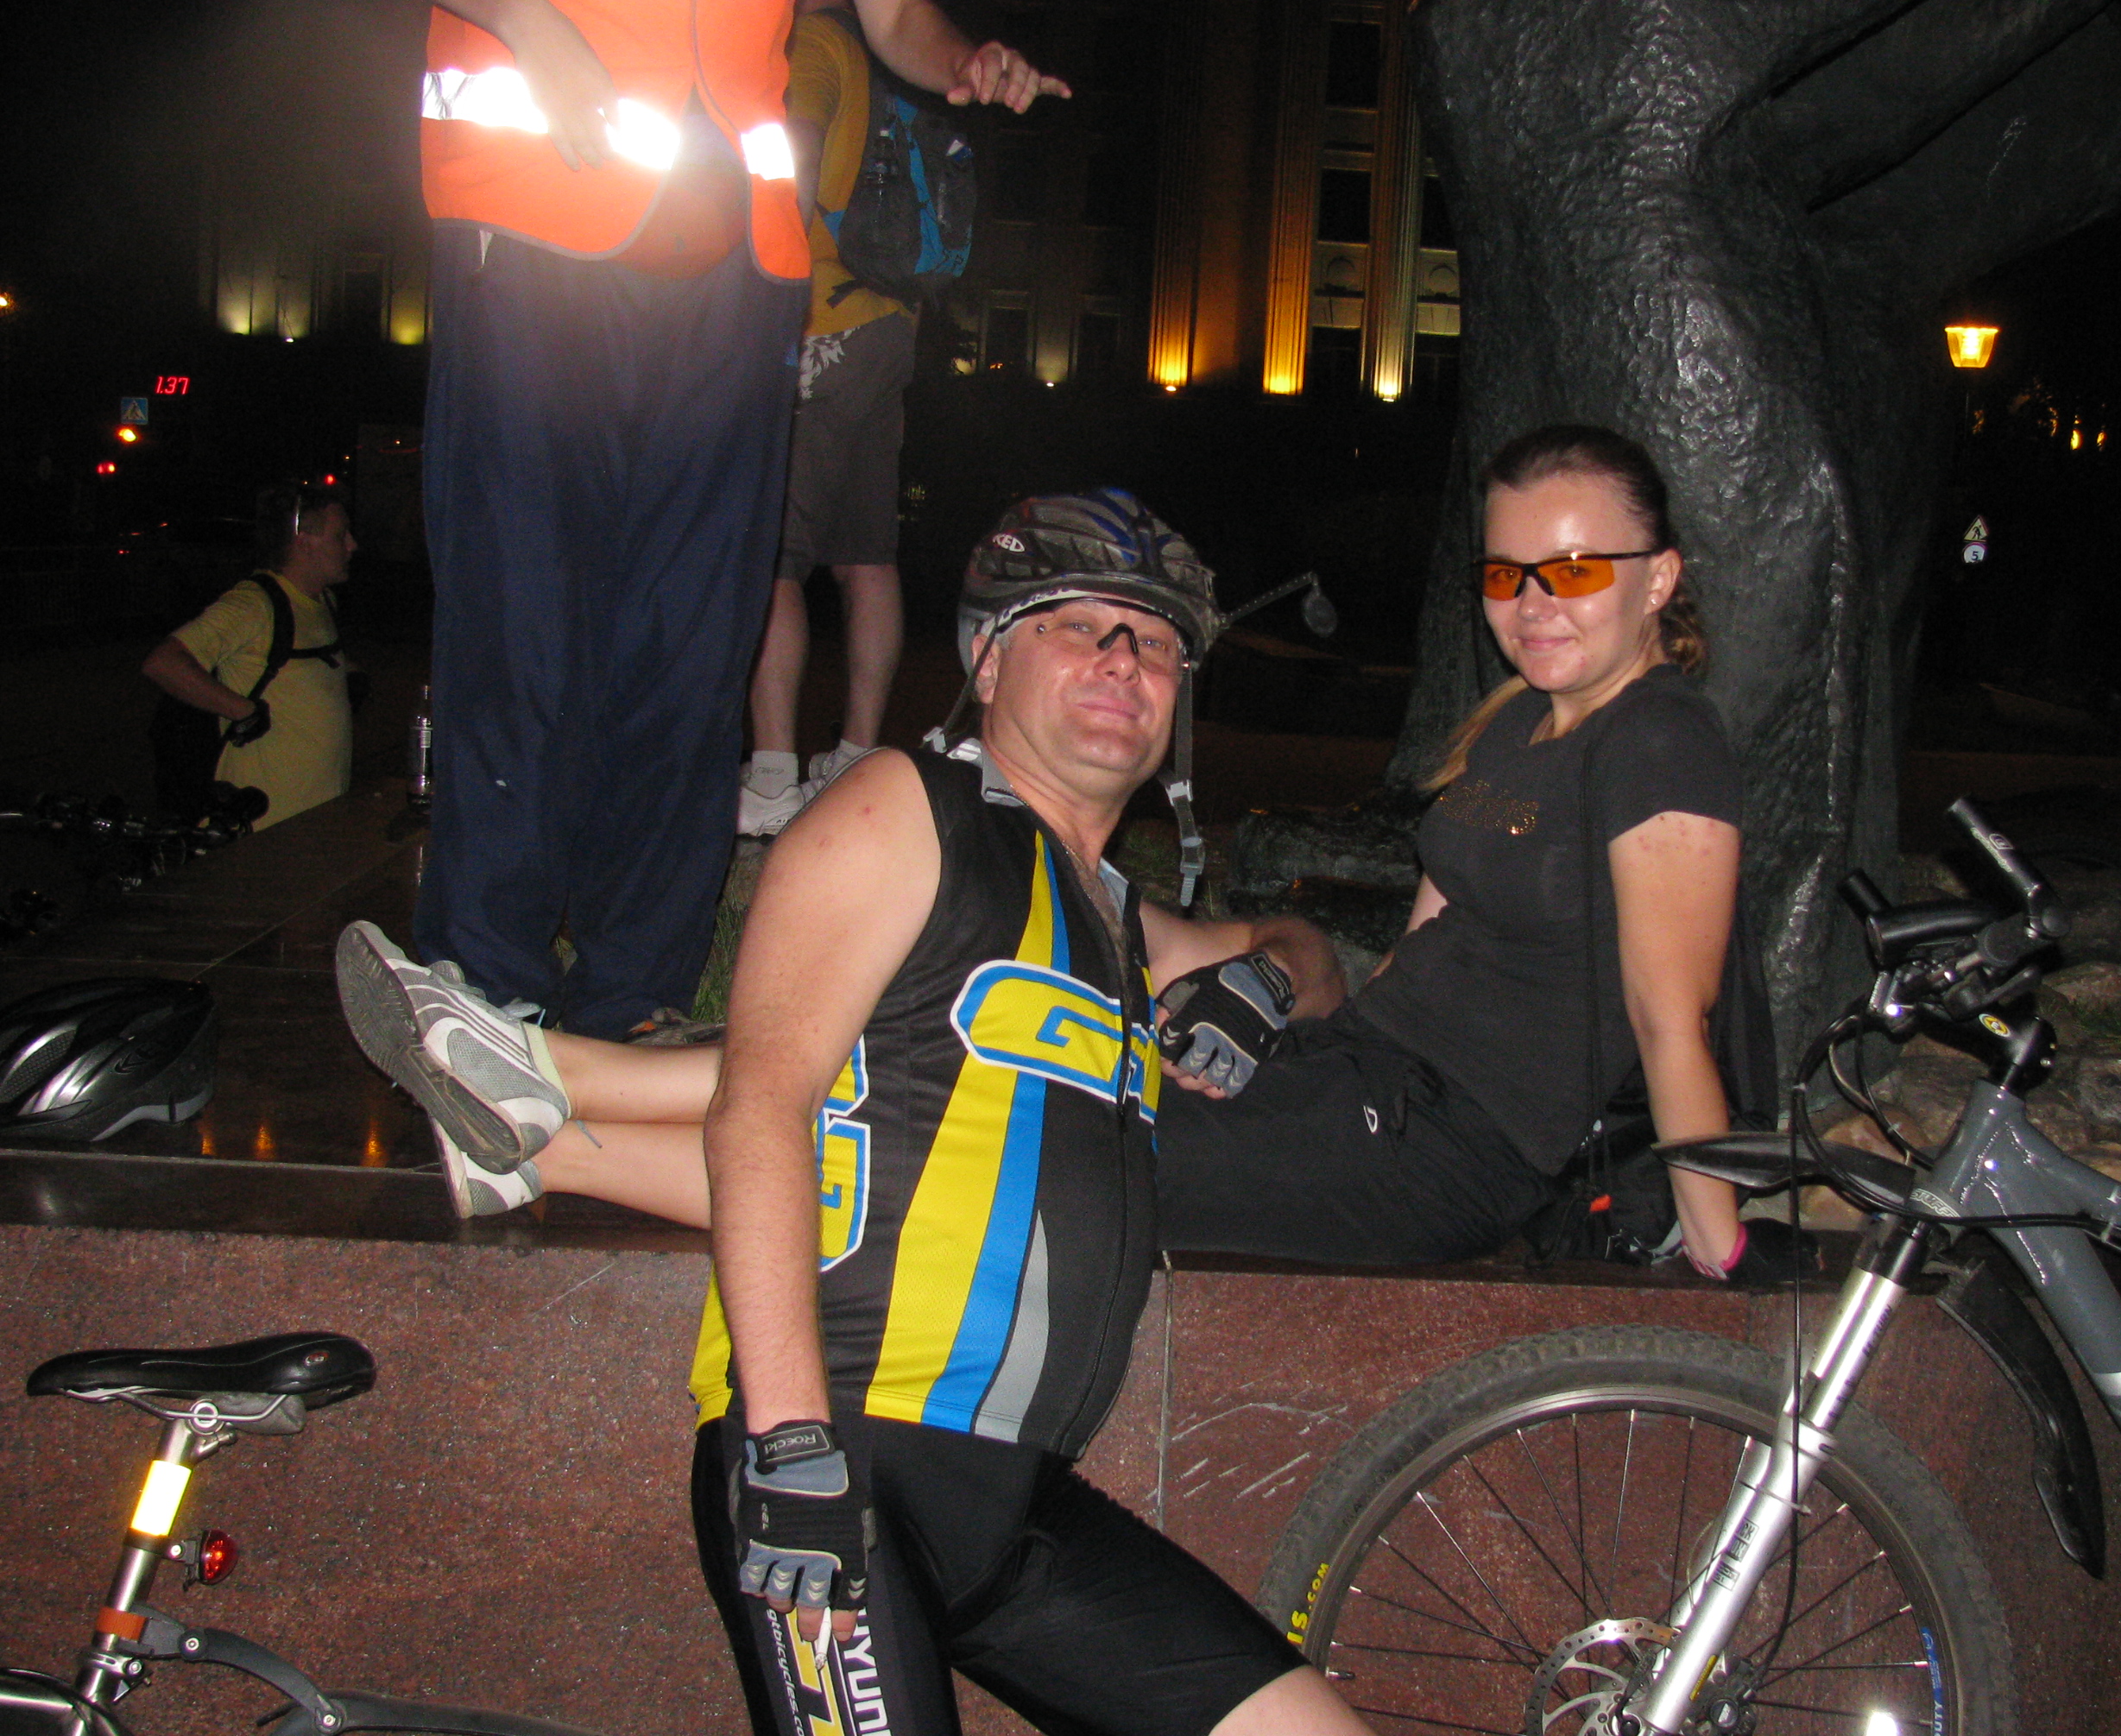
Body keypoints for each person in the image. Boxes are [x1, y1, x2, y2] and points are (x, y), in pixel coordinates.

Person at [339, 494, 1369, 1736]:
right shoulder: (904, 809)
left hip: (1021, 1504)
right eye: (1078, 626)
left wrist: (1266, 982)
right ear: (987, 662)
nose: (1122, 661)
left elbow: (1314, 955)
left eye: (1153, 642)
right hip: (846, 1453)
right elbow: (763, 1108)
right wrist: (788, 1446)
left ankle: (546, 1112)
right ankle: (548, 1090)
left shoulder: (1116, 919)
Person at [339, 432, 1781, 1283]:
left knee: (1020, 1147)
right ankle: (534, 1138)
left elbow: (1672, 1012)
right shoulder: (1518, 726)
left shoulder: (1660, 741)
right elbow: (1421, 955)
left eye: (1576, 569)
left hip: (1442, 1153)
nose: (1534, 601)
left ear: (1659, 578)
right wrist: (1276, 1006)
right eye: (1508, 571)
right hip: (1353, 1083)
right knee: (971, 1077)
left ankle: (546, 1083)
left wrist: (1720, 1252)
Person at [331, 0, 1068, 1039]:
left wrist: (962, 58)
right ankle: (483, 982)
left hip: (736, 262)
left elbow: (898, 10)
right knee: (522, 615)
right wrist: (523, 16)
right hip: (533, 223)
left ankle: (636, 993)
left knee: (693, 639)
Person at [738, 0, 919, 836]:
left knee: (775, 555)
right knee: (865, 555)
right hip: (889, 325)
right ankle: (854, 757)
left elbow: (796, 155)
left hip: (822, 322)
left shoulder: (813, 43)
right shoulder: (887, 65)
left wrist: (763, 283)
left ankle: (773, 776)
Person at [142, 481, 357, 831]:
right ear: (303, 541)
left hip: (318, 820)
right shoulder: (255, 604)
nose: (352, 545)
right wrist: (242, 710)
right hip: (263, 828)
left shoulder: (323, 601)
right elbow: (163, 663)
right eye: (340, 536)